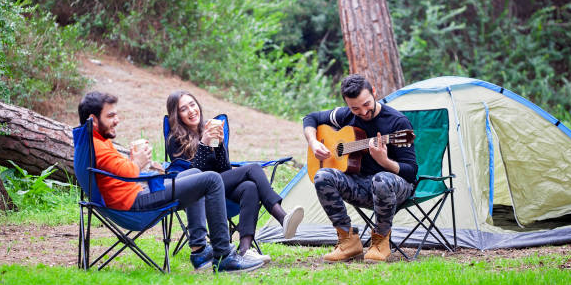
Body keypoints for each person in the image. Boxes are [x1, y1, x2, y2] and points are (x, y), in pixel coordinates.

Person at [77, 91, 263, 273]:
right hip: (135, 205)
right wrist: (137, 163)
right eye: (110, 116)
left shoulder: (94, 141)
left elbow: (116, 171)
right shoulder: (99, 147)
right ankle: (224, 257)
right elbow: (130, 172)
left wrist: (136, 164)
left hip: (133, 195)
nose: (116, 120)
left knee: (195, 173)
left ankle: (199, 250)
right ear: (94, 120)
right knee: (211, 179)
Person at [165, 90, 304, 264]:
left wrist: (220, 145)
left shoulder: (208, 129)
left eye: (192, 105)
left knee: (249, 187)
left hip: (220, 188)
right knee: (251, 169)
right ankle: (282, 217)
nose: (191, 111)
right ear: (177, 115)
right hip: (198, 194)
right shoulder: (175, 139)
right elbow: (193, 177)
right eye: (183, 109)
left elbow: (223, 168)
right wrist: (203, 144)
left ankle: (245, 250)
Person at [303, 74, 418, 263]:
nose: (363, 112)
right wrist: (314, 142)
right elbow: (311, 118)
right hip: (361, 186)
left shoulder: (397, 123)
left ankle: (380, 241)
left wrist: (385, 161)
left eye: (366, 104)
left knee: (381, 178)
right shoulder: (346, 116)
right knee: (322, 175)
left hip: (395, 188)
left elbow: (411, 171)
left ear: (374, 92)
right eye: (355, 108)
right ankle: (348, 241)